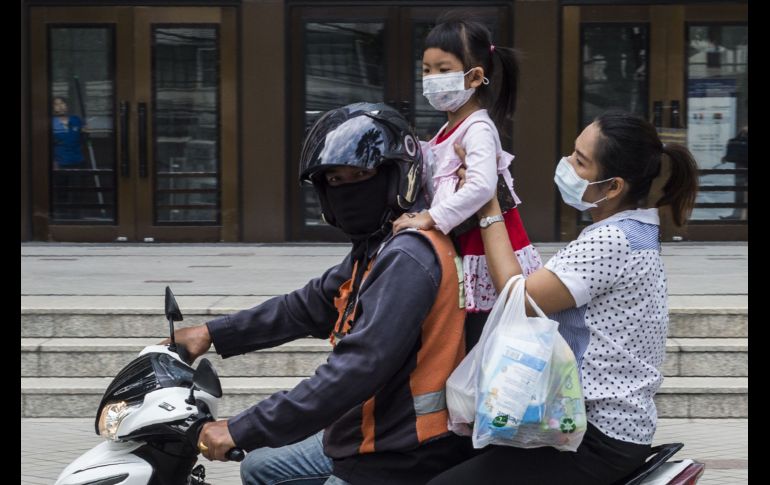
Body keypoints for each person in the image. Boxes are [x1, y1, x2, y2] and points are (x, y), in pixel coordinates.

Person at [167, 102, 473, 485]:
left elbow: (355, 369)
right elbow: (306, 306)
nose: (348, 190)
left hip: (402, 452)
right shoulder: (378, 246)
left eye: (361, 174)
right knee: (260, 467)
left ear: (397, 177)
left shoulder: (408, 257)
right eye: (335, 181)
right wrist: (212, 333)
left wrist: (244, 427)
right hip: (366, 432)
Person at [426, 110, 699, 485]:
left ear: (613, 186)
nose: (567, 165)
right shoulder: (632, 232)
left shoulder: (611, 241)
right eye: (573, 152)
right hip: (602, 424)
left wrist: (487, 205)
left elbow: (515, 295)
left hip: (595, 435)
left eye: (580, 162)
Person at [392, 16, 541, 352]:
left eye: (443, 70)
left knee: (483, 346)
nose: (431, 79)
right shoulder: (448, 132)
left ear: (474, 77)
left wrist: (429, 219)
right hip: (469, 251)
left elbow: (481, 187)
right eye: (426, 70)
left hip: (488, 257)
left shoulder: (477, 129)